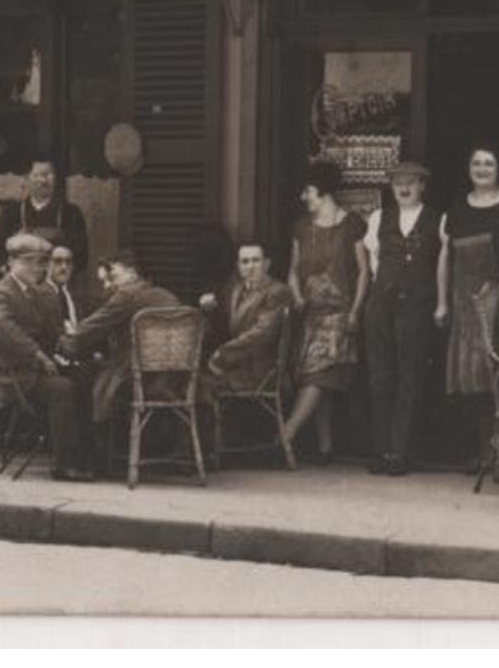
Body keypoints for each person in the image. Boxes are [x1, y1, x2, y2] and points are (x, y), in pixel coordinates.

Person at [437, 145, 499, 467]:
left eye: (489, 163)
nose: (482, 168)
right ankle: (480, 451)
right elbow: (446, 257)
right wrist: (442, 303)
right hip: (465, 304)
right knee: (469, 380)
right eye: (476, 163)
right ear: (468, 169)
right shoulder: (457, 208)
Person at [0, 233, 95, 482]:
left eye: (43, 262)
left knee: (87, 376)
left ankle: (89, 456)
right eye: (34, 262)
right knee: (62, 388)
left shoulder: (42, 293)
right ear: (13, 262)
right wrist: (38, 356)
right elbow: (0, 327)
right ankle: (64, 464)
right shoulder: (1, 293)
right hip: (14, 371)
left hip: (40, 368)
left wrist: (72, 348)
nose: (41, 268)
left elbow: (54, 332)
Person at [281, 161, 369, 464]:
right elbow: (292, 271)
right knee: (316, 380)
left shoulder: (352, 224)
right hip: (310, 314)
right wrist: (295, 296)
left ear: (324, 193)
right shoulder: (301, 228)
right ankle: (325, 447)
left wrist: (356, 311)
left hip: (339, 314)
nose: (303, 197)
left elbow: (364, 272)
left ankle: (285, 435)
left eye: (308, 191)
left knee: (319, 377)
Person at [361, 161, 443, 476]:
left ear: (423, 186)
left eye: (411, 182)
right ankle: (380, 450)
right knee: (381, 375)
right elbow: (373, 262)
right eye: (398, 183)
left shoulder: (438, 220)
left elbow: (442, 264)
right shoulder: (379, 218)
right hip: (382, 303)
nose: (404, 188)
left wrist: (439, 304)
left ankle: (400, 452)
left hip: (417, 305)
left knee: (410, 375)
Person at [66, 250, 189, 427]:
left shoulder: (127, 294)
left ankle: (98, 444)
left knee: (84, 376)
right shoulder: (164, 294)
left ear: (132, 274)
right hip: (177, 377)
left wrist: (69, 332)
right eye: (104, 282)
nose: (108, 286)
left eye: (113, 277)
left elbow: (84, 330)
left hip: (142, 380)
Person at [201, 240, 290, 398]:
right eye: (245, 261)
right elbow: (225, 329)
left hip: (259, 370)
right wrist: (211, 311)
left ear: (266, 264)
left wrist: (222, 355)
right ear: (238, 266)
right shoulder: (236, 291)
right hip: (238, 365)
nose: (250, 266)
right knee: (191, 382)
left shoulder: (277, 292)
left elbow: (262, 334)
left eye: (256, 260)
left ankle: (216, 422)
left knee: (198, 386)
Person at [0, 157, 89, 273]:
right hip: (20, 285)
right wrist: (5, 269)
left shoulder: (70, 213)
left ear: (56, 178)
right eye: (37, 175)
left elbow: (81, 257)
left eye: (48, 175)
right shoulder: (12, 213)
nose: (43, 181)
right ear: (27, 179)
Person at [49, 245, 83, 330]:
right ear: (47, 265)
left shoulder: (76, 298)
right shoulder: (38, 296)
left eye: (68, 262)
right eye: (58, 261)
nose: (64, 267)